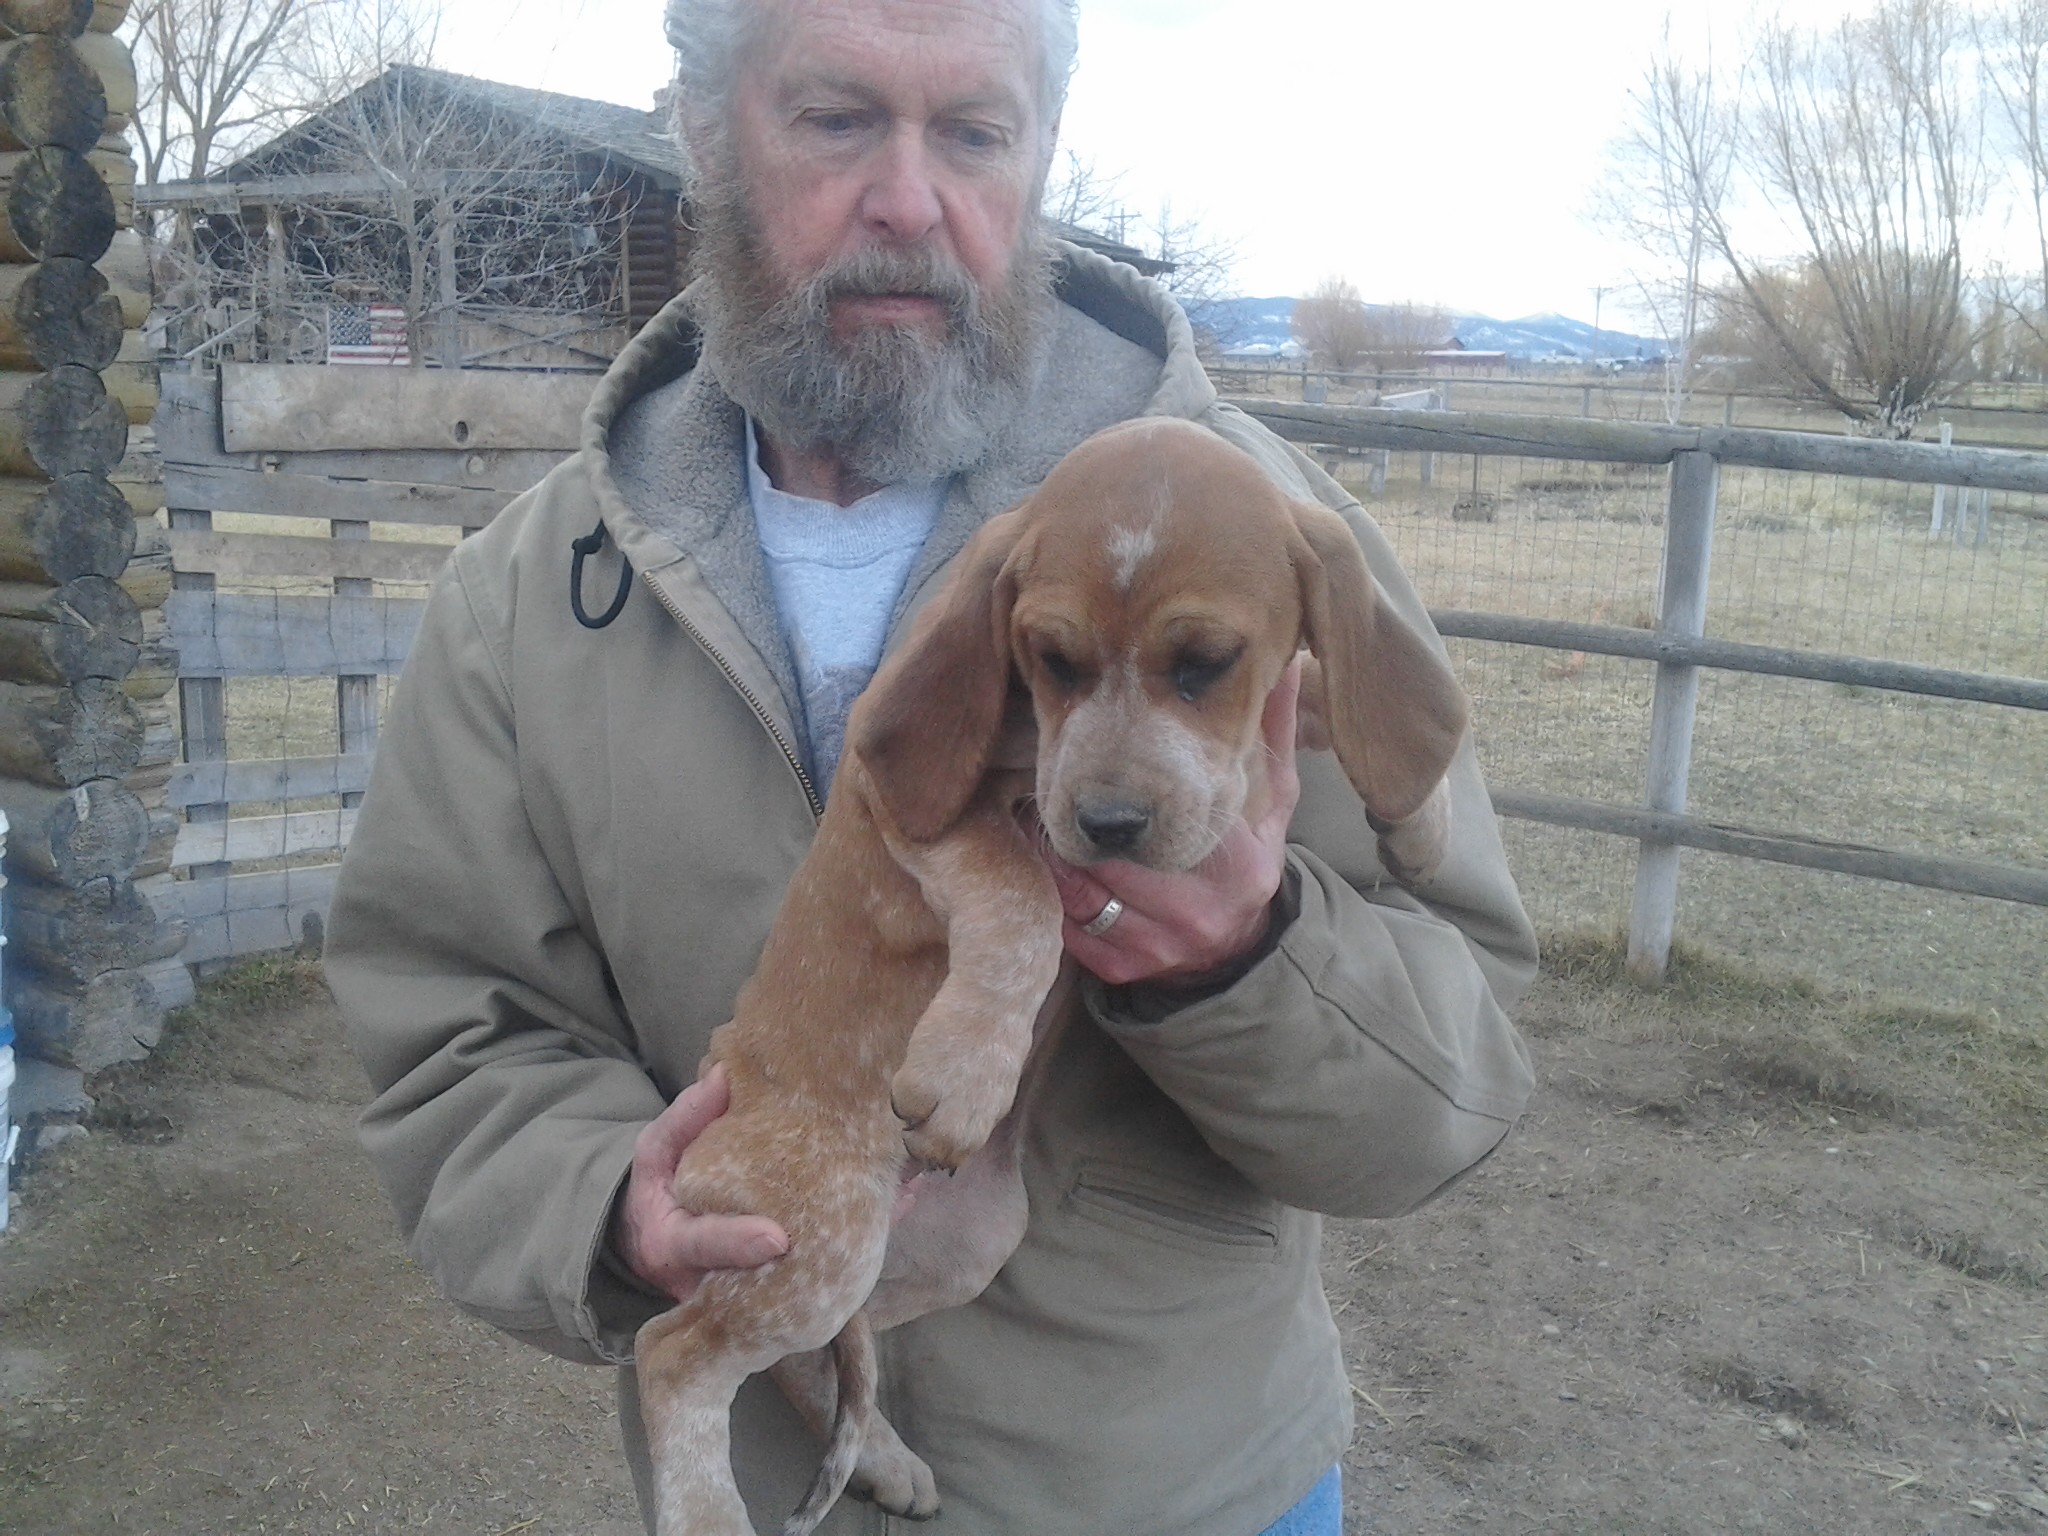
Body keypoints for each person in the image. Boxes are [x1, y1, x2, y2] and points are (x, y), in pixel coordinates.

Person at [322, 0, 1538, 1531]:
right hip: (783, 1492)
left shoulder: (1267, 545)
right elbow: (452, 1035)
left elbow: (1455, 1078)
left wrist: (1247, 956)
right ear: (703, 129)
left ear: (1044, 150)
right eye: (837, 118)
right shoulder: (534, 595)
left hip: (1185, 1492)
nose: (909, 198)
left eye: (973, 130)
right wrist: (610, 1204)